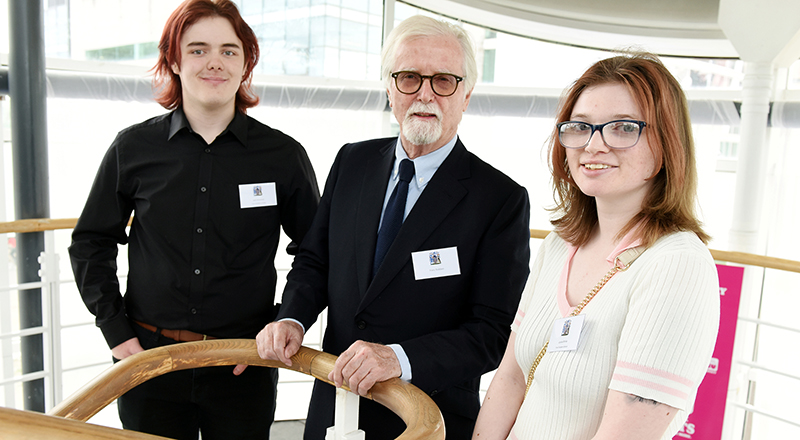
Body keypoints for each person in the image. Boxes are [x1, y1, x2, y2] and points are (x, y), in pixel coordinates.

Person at [256, 15, 530, 440]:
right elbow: (315, 261)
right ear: (389, 87)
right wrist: (292, 318)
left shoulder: (500, 199)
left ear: (466, 95)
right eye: (408, 77)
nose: (424, 93)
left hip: (428, 416)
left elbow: (491, 333)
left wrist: (397, 358)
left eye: (443, 80)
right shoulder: (352, 161)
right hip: (334, 401)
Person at [68, 1, 320, 439]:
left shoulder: (283, 156)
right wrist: (116, 333)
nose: (214, 62)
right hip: (148, 363)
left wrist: (287, 321)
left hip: (244, 364)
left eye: (229, 50)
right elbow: (91, 240)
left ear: (246, 64)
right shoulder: (133, 148)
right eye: (199, 49)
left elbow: (316, 252)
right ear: (174, 59)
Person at [471, 52, 720, 440]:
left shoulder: (677, 265)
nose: (594, 145)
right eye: (581, 127)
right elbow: (511, 378)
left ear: (668, 141)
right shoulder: (560, 244)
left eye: (623, 128)